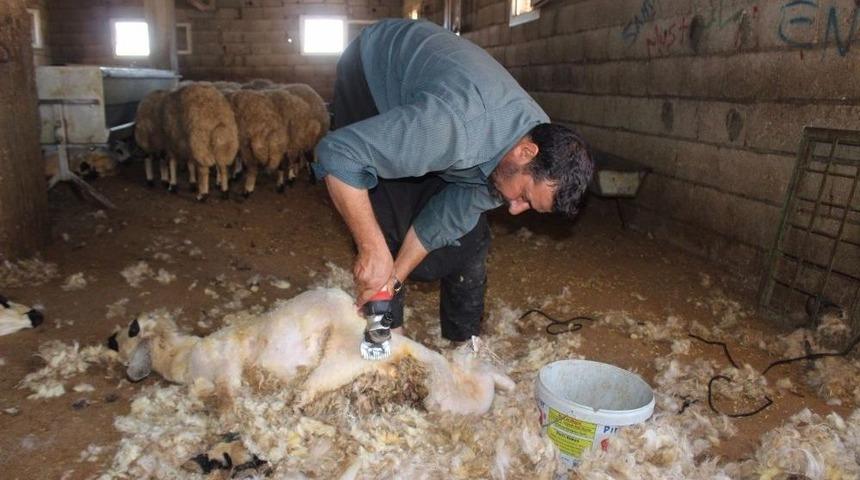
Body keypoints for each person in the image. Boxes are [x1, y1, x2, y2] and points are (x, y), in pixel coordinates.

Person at [314, 19, 593, 344]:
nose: (516, 210)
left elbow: (444, 218)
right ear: (525, 152)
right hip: (375, 70)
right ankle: (385, 336)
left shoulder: (526, 149)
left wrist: (395, 279)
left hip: (443, 111)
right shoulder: (454, 128)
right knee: (383, 213)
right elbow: (338, 154)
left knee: (468, 238)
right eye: (527, 197)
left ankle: (460, 343)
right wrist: (372, 249)